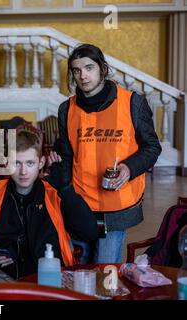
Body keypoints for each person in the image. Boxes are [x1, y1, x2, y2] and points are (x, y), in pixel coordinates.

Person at [56, 43, 162, 264]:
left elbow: (152, 147)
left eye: (89, 68)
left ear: (102, 69)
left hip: (116, 205)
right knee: (78, 271)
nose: (82, 75)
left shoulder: (132, 103)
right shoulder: (66, 109)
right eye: (76, 70)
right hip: (80, 202)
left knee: (105, 272)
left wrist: (129, 168)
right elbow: (66, 156)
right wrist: (66, 193)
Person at [0, 131, 98, 279]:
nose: (23, 172)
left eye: (30, 163)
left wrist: (66, 190)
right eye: (17, 163)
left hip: (49, 279)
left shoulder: (55, 193)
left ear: (41, 163)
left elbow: (90, 232)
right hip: (2, 278)